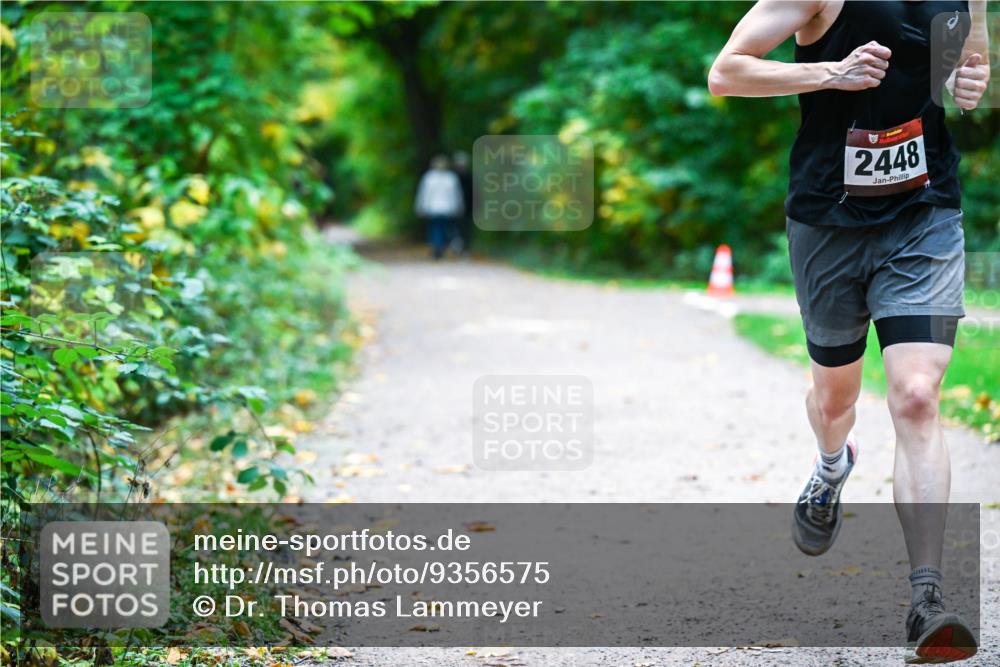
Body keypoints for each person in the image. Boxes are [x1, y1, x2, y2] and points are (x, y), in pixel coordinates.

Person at [709, 1, 989, 663]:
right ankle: (833, 463)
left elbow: (958, 71)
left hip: (923, 214)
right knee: (834, 400)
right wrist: (830, 72)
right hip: (828, 221)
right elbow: (727, 72)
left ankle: (928, 597)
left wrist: (964, 85)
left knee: (917, 395)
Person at [415, 155, 465, 259]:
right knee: (442, 229)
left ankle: (437, 248)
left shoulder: (429, 177)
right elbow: (456, 194)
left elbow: (424, 194)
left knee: (436, 229)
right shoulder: (450, 178)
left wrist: (420, 207)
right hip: (446, 209)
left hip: (435, 209)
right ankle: (439, 248)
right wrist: (459, 206)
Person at [452, 150, 475, 254]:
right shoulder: (452, 177)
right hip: (456, 206)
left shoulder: (468, 176)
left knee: (464, 228)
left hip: (466, 207)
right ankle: (460, 246)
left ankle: (464, 247)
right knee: (459, 227)